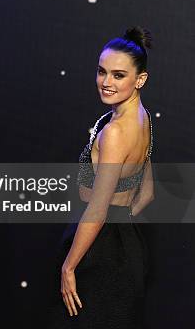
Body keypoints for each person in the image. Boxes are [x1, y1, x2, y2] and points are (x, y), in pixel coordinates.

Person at [49, 27, 154, 328]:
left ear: (140, 79)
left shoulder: (117, 132)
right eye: (101, 72)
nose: (106, 82)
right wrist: (123, 219)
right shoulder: (143, 118)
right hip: (125, 244)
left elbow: (97, 209)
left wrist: (69, 266)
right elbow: (147, 192)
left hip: (98, 251)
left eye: (118, 75)